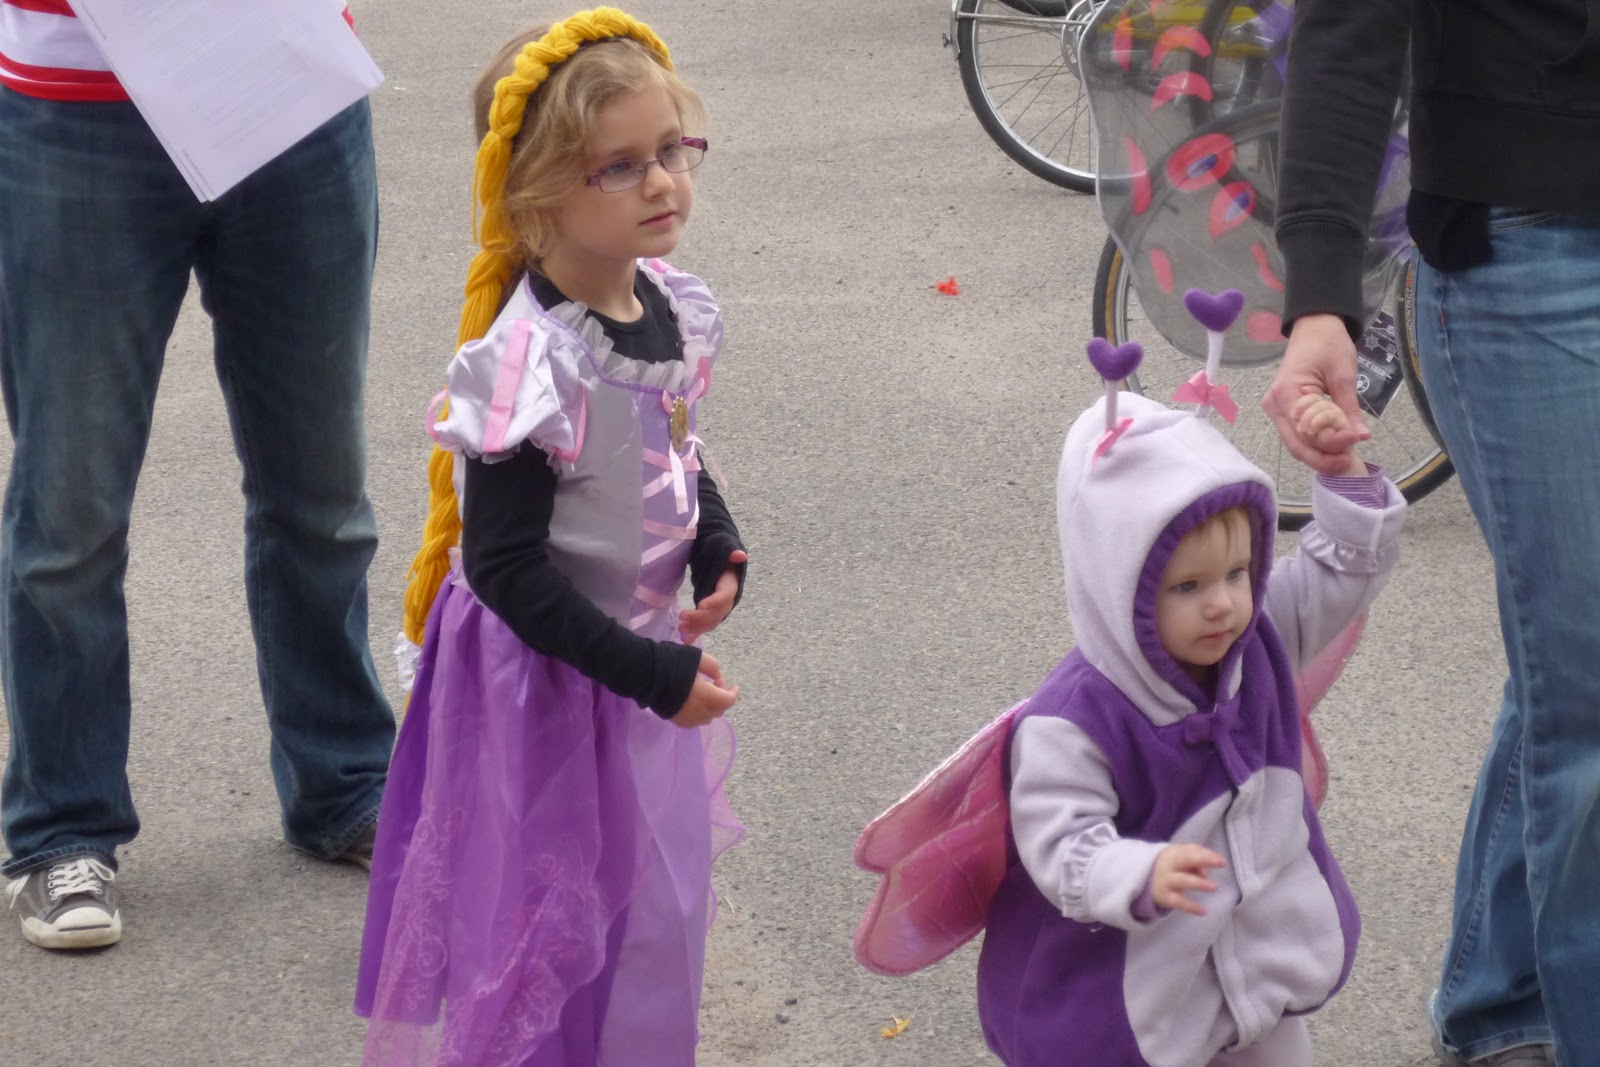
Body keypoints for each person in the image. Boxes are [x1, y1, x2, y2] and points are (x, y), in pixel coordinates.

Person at [353, 10, 748, 1064]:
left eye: (670, 150)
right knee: (538, 921)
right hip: (540, 684)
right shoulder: (528, 362)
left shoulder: (665, 303)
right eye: (620, 167)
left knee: (635, 898)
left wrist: (716, 539)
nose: (662, 182)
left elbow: (674, 440)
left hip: (626, 666)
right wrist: (647, 670)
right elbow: (505, 565)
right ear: (535, 196)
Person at [0, 0, 394, 951]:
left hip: (288, 83)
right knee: (71, 511)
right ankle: (63, 825)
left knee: (322, 494)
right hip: (78, 105)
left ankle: (346, 783)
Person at [1266, 2, 1600, 1064]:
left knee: (1568, 662)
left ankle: (1504, 1000)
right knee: (1588, 683)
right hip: (1530, 254)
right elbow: (1348, 32)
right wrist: (1318, 288)